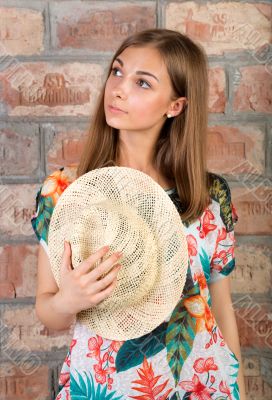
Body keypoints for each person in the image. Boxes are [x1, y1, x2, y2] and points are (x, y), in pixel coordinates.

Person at [31, 28, 246, 399]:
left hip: (202, 386)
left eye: (142, 83)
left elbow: (221, 308)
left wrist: (240, 390)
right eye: (117, 71)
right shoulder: (66, 192)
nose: (118, 89)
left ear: (175, 105)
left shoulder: (209, 197)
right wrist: (69, 300)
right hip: (103, 387)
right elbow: (47, 308)